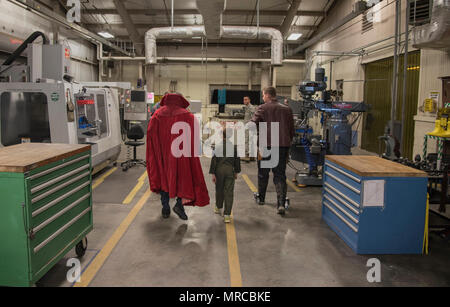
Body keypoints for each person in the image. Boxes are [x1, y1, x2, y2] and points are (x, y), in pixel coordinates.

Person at [146, 93, 210, 220]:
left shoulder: (157, 115)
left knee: (164, 178)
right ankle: (179, 204)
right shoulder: (188, 116)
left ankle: (165, 208)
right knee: (182, 178)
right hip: (181, 155)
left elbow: (151, 137)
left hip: (163, 154)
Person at [251, 87, 295, 216]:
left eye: (263, 95)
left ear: (267, 95)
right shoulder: (287, 109)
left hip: (265, 145)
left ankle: (261, 199)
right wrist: (288, 143)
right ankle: (280, 204)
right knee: (280, 174)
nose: (263, 98)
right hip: (282, 145)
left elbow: (253, 124)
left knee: (263, 173)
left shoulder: (262, 108)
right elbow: (291, 129)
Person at [209, 128, 241, 223]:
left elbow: (214, 161)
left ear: (221, 135)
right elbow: (237, 161)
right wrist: (236, 172)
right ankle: (227, 215)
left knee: (219, 190)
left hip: (219, 171)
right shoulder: (234, 148)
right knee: (229, 192)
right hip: (230, 171)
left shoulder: (217, 147)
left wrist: (213, 173)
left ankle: (218, 207)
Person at [242, 96, 256, 162]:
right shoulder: (246, 108)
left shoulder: (251, 108)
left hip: (250, 127)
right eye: (244, 100)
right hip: (247, 126)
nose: (244, 101)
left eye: (246, 99)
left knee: (248, 140)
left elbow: (253, 118)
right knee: (249, 141)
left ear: (249, 100)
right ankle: (252, 156)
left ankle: (247, 155)